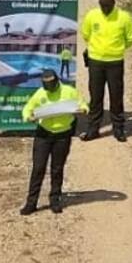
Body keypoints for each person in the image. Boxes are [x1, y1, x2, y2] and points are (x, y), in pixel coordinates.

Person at [20, 68, 88, 215]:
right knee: (38, 168)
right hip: (43, 134)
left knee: (57, 168)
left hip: (63, 135)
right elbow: (27, 108)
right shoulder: (40, 94)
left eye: (52, 86)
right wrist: (28, 117)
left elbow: (83, 104)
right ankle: (31, 203)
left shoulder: (69, 91)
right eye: (47, 86)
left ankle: (55, 200)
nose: (49, 89)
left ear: (57, 81)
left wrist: (82, 109)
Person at [81, 0, 132, 142]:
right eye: (103, 6)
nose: (105, 9)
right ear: (99, 4)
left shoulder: (124, 17)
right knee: (95, 97)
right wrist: (97, 49)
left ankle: (118, 130)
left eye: (108, 6)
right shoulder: (92, 15)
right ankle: (93, 130)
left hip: (115, 62)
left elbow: (130, 39)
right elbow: (86, 34)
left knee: (116, 96)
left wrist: (116, 49)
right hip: (96, 62)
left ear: (114, 3)